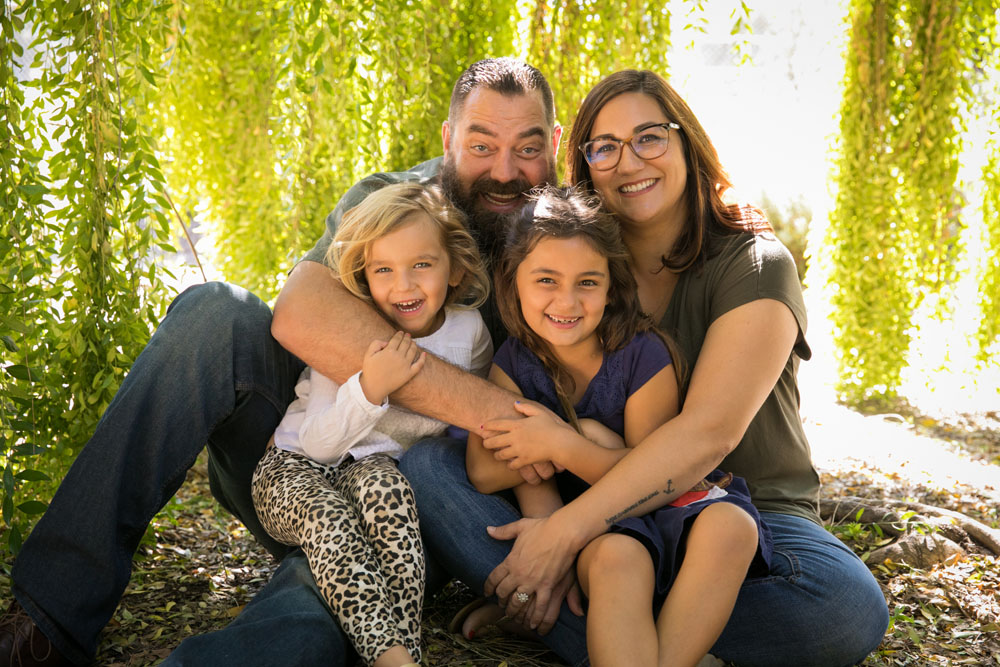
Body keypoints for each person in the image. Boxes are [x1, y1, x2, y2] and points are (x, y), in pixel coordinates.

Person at [0, 57, 565, 667]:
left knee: (329, 599)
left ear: (555, 144)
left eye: (528, 148)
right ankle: (45, 621)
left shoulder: (571, 239)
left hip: (407, 509)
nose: (505, 171)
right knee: (216, 312)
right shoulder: (393, 202)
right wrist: (502, 415)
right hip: (294, 458)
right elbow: (299, 313)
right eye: (482, 145)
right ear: (451, 138)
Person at [398, 70, 889, 666]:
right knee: (428, 467)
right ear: (584, 164)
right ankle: (639, 630)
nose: (629, 162)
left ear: (688, 144)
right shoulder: (575, 259)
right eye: (605, 146)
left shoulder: (754, 265)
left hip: (736, 510)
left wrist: (563, 533)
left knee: (842, 609)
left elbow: (707, 434)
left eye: (650, 138)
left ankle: (578, 623)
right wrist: (560, 505)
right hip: (600, 512)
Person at [458, 186, 773, 666]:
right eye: (546, 279)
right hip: (602, 536)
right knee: (616, 561)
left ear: (611, 287)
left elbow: (653, 479)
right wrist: (589, 446)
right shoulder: (513, 365)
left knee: (732, 526)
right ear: (512, 281)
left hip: (666, 507)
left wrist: (565, 444)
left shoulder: (644, 355)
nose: (567, 300)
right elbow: (483, 472)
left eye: (587, 282)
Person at [250, 182, 492, 667]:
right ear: (364, 274)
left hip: (372, 472)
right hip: (294, 468)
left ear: (456, 267)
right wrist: (370, 388)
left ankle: (400, 653)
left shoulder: (469, 334)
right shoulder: (352, 328)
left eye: (421, 265)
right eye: (384, 270)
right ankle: (390, 658)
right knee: (332, 520)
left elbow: (469, 416)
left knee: (393, 499)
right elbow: (318, 443)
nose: (403, 286)